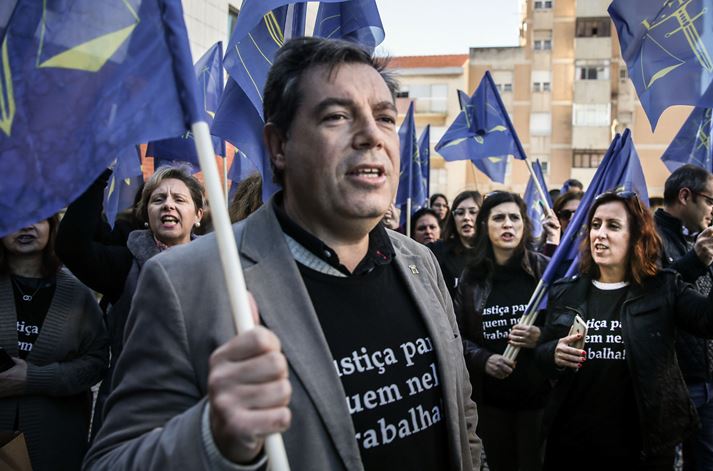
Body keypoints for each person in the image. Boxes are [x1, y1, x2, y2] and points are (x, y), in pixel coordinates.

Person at [85, 37, 481, 470]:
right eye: (336, 116)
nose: (371, 135)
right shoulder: (186, 280)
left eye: (385, 117)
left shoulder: (420, 263)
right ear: (278, 146)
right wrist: (215, 438)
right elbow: (110, 461)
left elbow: (461, 417)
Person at [536, 191, 713, 469]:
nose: (600, 234)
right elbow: (542, 354)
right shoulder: (566, 291)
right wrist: (553, 354)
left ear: (637, 236)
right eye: (595, 225)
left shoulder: (662, 288)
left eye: (613, 226)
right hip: (573, 443)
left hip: (641, 446)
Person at [56, 165, 205, 429]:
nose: (168, 205)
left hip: (193, 415)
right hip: (129, 416)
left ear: (198, 215)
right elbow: (72, 246)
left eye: (179, 199)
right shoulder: (125, 264)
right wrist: (96, 173)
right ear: (147, 215)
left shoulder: (218, 266)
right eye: (158, 199)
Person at [0, 216, 108, 470]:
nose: (26, 226)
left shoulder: (77, 292)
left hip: (56, 442)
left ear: (51, 227)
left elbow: (97, 362)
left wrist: (34, 379)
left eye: (37, 218)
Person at [453, 192, 550, 471]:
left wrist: (540, 337)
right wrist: (484, 359)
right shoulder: (471, 278)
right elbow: (456, 335)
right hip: (491, 403)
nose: (507, 224)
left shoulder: (544, 270)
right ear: (485, 225)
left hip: (539, 401)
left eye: (514, 218)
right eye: (499, 218)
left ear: (524, 224)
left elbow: (565, 328)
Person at [653, 164, 713, 470]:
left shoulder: (699, 236)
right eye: (711, 201)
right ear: (685, 196)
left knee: (709, 463)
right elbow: (649, 294)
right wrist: (694, 260)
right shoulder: (650, 237)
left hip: (712, 380)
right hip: (672, 380)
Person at [430, 190, 481, 298]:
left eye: (473, 212)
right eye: (460, 213)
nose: (466, 218)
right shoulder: (438, 251)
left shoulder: (495, 253)